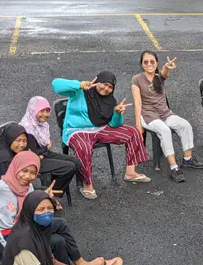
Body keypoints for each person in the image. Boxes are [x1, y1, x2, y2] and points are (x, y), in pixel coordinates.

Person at [0, 151, 121, 265]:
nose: (27, 176)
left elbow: (29, 205)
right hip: (10, 236)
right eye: (24, 171)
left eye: (32, 173)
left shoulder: (26, 186)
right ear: (15, 167)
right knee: (58, 236)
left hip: (24, 226)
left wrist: (44, 197)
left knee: (59, 235)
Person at [52, 71, 150, 200]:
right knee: (83, 146)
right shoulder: (79, 91)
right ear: (97, 81)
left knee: (132, 132)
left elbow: (115, 125)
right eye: (104, 84)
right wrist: (80, 84)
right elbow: (56, 84)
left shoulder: (110, 101)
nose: (106, 89)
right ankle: (87, 184)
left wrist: (117, 113)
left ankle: (130, 172)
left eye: (110, 87)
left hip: (101, 129)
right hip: (77, 130)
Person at [131, 51, 203, 183]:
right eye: (146, 62)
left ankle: (187, 159)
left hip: (164, 113)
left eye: (152, 61)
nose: (149, 64)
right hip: (148, 115)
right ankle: (174, 167)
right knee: (164, 130)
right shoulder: (136, 79)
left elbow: (164, 73)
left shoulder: (159, 77)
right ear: (141, 64)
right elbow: (137, 103)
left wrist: (166, 67)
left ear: (157, 63)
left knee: (185, 125)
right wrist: (138, 124)